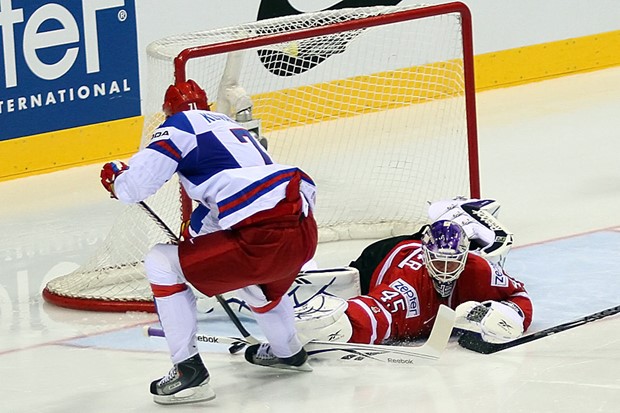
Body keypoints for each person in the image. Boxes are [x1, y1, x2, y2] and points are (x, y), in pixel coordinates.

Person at [100, 79, 318, 405]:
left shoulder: (180, 125)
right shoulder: (234, 129)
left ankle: (188, 373)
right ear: (207, 106)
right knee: (251, 274)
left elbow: (134, 188)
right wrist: (199, 237)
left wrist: (116, 177)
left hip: (260, 241)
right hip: (302, 233)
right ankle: (287, 350)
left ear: (168, 112)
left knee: (161, 262)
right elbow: (238, 199)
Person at [294, 197, 533, 346]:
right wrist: (343, 326)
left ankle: (456, 215)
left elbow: (519, 296)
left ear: (465, 257)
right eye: (440, 263)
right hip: (379, 259)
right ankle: (452, 216)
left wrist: (509, 313)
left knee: (441, 243)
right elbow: (376, 314)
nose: (447, 271)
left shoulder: (477, 268)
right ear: (426, 257)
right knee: (349, 280)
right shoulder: (407, 288)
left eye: (454, 262)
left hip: (418, 250)